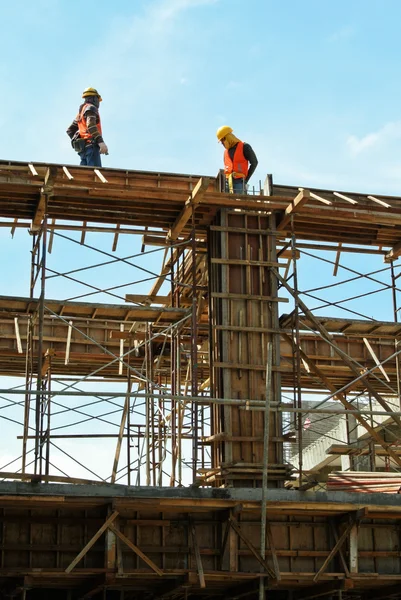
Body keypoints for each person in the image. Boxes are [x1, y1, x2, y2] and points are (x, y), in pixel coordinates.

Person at [66, 87, 108, 167]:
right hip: (92, 146)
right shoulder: (91, 108)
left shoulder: (81, 113)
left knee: (84, 174)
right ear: (94, 98)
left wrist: (79, 141)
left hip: (83, 149)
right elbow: (91, 125)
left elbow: (70, 130)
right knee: (95, 174)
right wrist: (101, 142)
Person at [216, 126, 258, 194]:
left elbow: (254, 162)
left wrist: (246, 180)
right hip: (227, 183)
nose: (222, 143)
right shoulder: (225, 153)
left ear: (228, 137)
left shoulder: (244, 147)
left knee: (240, 202)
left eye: (222, 140)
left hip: (239, 182)